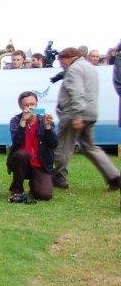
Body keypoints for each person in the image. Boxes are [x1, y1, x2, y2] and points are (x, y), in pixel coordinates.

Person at [51, 47, 120, 191]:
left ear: (68, 57)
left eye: (61, 60)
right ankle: (114, 176)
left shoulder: (74, 69)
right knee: (90, 147)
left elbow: (77, 93)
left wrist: (77, 116)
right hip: (90, 113)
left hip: (74, 115)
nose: (61, 63)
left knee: (63, 147)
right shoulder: (89, 67)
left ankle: (59, 178)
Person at [6, 91, 57, 203]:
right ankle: (17, 189)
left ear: (37, 104)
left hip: (40, 164)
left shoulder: (44, 120)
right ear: (21, 106)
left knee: (44, 195)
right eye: (26, 105)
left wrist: (48, 127)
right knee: (22, 154)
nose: (30, 107)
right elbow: (16, 142)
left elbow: (54, 144)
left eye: (32, 104)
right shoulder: (15, 120)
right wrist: (23, 121)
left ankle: (35, 185)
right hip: (21, 162)